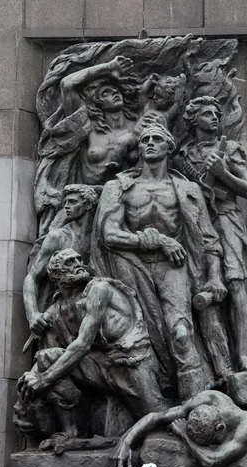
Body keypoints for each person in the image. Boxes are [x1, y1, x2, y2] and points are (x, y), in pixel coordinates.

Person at [92, 123, 232, 399]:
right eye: (145, 140)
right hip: (129, 267)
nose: (151, 143)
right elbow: (108, 234)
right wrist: (154, 240)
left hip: (174, 268)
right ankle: (150, 405)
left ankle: (194, 407)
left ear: (170, 147)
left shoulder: (187, 189)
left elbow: (208, 240)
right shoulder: (118, 186)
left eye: (158, 139)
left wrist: (214, 276)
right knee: (134, 340)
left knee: (181, 334)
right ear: (140, 148)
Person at [17, 249, 172, 452]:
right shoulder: (58, 308)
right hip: (99, 365)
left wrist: (44, 379)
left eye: (79, 259)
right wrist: (28, 387)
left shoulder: (99, 289)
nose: (79, 263)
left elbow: (82, 344)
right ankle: (70, 433)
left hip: (130, 362)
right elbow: (56, 349)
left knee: (158, 418)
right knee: (47, 357)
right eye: (70, 262)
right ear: (56, 275)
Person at [177, 96, 247, 372]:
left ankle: (242, 356)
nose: (214, 117)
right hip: (194, 223)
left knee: (236, 283)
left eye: (216, 113)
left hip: (225, 219)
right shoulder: (183, 155)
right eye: (206, 114)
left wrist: (222, 173)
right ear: (193, 120)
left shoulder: (229, 149)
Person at [35, 56, 160, 234]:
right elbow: (67, 85)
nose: (115, 93)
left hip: (128, 204)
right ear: (96, 103)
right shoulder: (88, 127)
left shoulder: (138, 127)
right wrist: (109, 67)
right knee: (53, 235)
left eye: (116, 91)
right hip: (86, 203)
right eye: (106, 93)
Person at [109, 389, 247, 467]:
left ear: (220, 428)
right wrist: (126, 442)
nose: (209, 446)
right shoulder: (208, 399)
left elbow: (212, 460)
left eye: (206, 443)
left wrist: (183, 434)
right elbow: (156, 417)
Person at [23, 184, 98, 346]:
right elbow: (32, 277)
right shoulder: (58, 237)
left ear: (88, 205)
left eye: (72, 202)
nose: (66, 206)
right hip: (62, 313)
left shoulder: (100, 236)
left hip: (94, 306)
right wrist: (33, 315)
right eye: (65, 202)